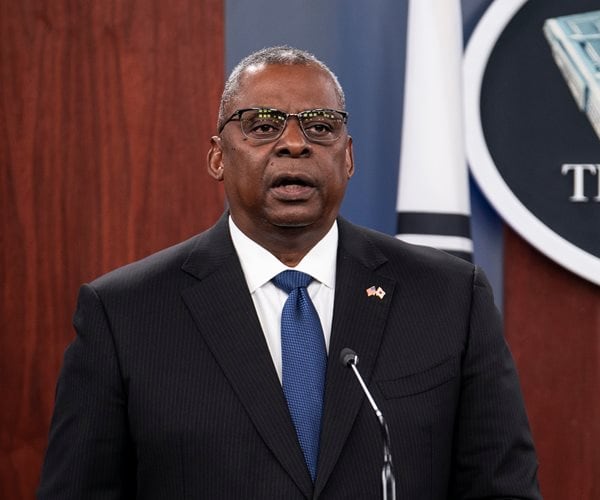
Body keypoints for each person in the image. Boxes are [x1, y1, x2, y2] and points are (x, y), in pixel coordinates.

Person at [38, 46, 541, 499]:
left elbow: (503, 487)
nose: (295, 144)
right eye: (262, 125)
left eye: (320, 127)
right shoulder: (124, 314)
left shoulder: (449, 297)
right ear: (217, 156)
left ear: (348, 157)